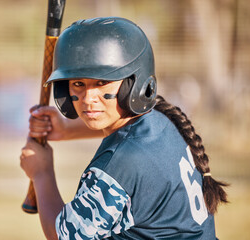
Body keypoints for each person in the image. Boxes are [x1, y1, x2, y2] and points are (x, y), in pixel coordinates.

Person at [19, 17, 228, 240]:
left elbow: (63, 236)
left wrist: (41, 173)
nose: (88, 98)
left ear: (132, 83)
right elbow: (123, 125)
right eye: (78, 83)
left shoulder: (121, 164)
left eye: (102, 83)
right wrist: (66, 129)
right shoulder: (162, 119)